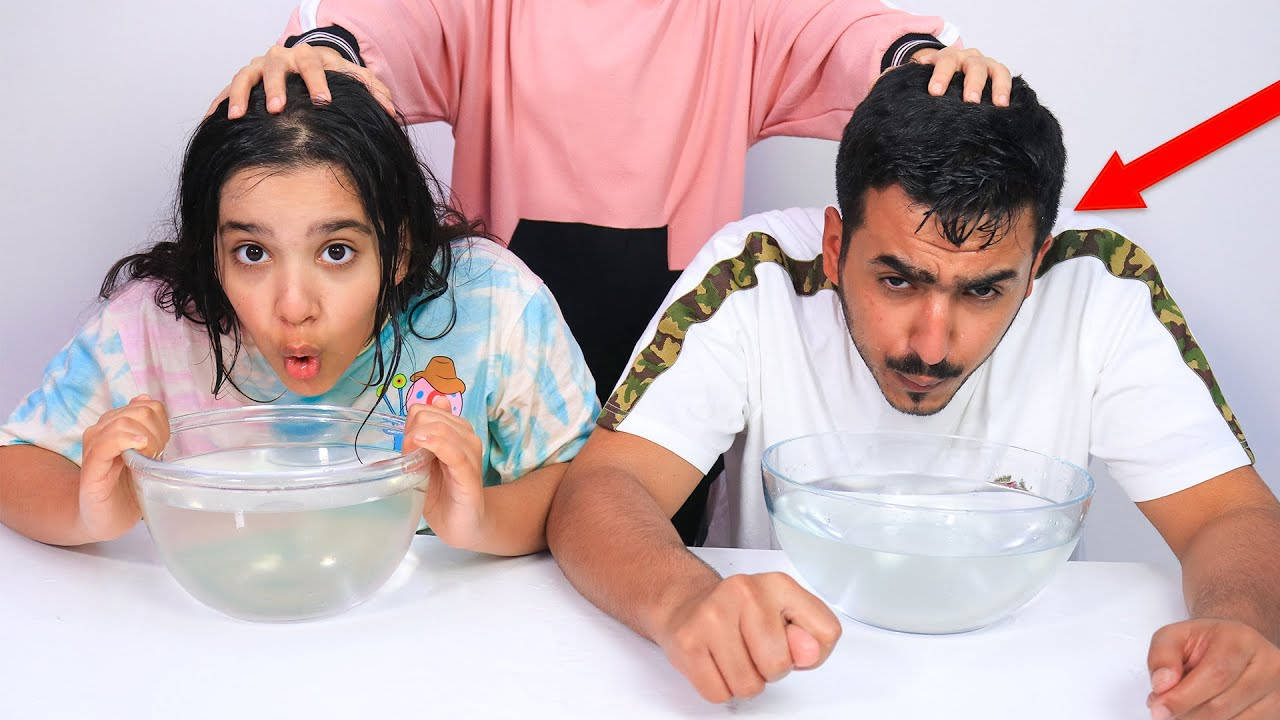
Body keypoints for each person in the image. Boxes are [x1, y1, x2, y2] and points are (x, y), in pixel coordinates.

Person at [545, 63, 1280, 712]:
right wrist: (685, 601)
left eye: (986, 292)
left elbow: (1230, 516)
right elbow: (604, 489)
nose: (931, 345)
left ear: (1037, 264)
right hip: (785, 686)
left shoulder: (1102, 290)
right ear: (835, 247)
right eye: (897, 280)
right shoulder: (755, 271)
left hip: (1026, 680)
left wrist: (1239, 625)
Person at [212, 0, 1013, 544]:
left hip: (666, 361)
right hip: (504, 366)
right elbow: (398, 20)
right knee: (494, 554)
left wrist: (924, 64)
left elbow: (838, 35)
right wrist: (328, 55)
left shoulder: (730, 15)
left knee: (643, 554)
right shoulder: (495, 12)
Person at [0, 71, 598, 558]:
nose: (293, 307)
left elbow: (584, 487)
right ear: (212, 252)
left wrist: (483, 521)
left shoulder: (491, 303)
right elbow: (15, 462)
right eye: (252, 253)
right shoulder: (149, 330)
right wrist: (86, 507)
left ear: (400, 251)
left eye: (337, 252)